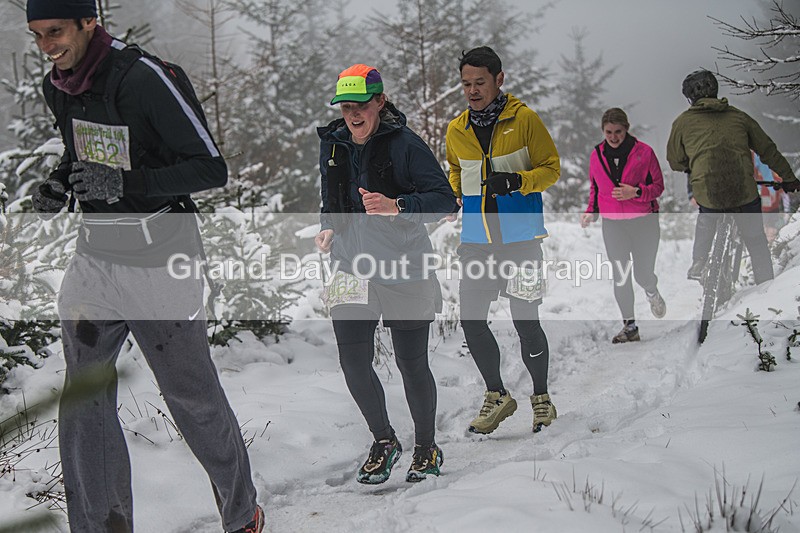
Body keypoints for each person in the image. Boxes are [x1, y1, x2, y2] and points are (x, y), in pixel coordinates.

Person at [26, 1, 263, 531]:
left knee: (191, 398)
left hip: (162, 255)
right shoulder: (57, 87)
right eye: (37, 35)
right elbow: (79, 153)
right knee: (83, 400)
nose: (47, 47)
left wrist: (124, 185)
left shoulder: (147, 78)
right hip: (95, 257)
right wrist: (60, 184)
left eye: (56, 32)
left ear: (90, 22)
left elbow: (210, 168)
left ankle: (242, 513)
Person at [315, 64, 456, 484]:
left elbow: (445, 201)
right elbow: (330, 195)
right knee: (352, 360)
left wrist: (398, 206)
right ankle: (384, 441)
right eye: (345, 107)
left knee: (411, 363)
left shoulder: (407, 145)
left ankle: (427, 448)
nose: (352, 114)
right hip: (348, 264)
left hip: (403, 265)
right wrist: (327, 225)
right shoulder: (333, 145)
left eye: (360, 105)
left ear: (380, 101)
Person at [445, 46, 560, 435]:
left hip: (521, 241)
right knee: (471, 320)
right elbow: (457, 175)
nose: (472, 91)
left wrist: (517, 181)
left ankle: (542, 399)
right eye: (466, 84)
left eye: (480, 82)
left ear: (499, 79)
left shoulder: (524, 120)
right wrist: (451, 197)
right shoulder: (456, 129)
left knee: (526, 322)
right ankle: (497, 395)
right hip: (477, 241)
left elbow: (551, 169)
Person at [667, 69, 800, 285]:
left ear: (690, 97)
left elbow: (674, 160)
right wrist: (789, 179)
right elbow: (768, 151)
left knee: (707, 215)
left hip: (709, 193)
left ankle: (699, 260)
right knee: (756, 240)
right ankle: (766, 288)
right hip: (744, 193)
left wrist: (693, 164)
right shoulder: (739, 117)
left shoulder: (682, 123)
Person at [581, 108, 666, 344]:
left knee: (642, 273)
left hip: (644, 222)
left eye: (618, 131)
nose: (614, 137)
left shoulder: (644, 153)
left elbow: (658, 187)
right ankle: (630, 326)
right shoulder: (596, 155)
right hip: (613, 225)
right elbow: (595, 188)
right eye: (609, 132)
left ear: (626, 129)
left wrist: (636, 192)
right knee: (621, 275)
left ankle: (651, 290)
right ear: (603, 131)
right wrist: (591, 212)